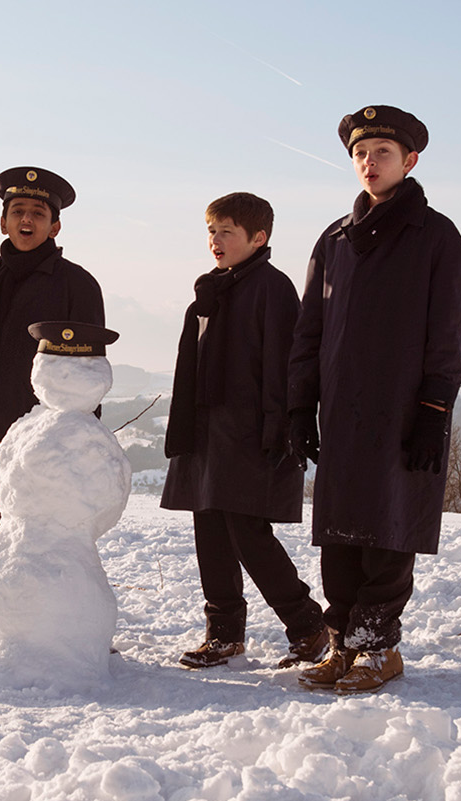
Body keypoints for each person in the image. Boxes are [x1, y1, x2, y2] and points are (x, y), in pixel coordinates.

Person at [288, 105, 461, 693]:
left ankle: (378, 647)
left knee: (388, 527)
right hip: (341, 408)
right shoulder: (335, 239)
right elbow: (309, 332)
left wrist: (433, 411)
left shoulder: (437, 238)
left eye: (383, 153)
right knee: (340, 530)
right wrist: (299, 405)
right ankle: (342, 643)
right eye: (361, 154)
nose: (370, 162)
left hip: (403, 410)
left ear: (409, 161)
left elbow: (447, 334)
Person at [161, 192, 327, 670]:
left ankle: (308, 625)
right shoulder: (214, 289)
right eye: (211, 231)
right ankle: (225, 634)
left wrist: (283, 428)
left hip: (250, 432)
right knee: (208, 529)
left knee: (247, 533)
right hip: (207, 430)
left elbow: (284, 364)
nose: (215, 240)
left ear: (259, 238)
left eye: (227, 231)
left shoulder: (272, 288)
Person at [0, 166, 105, 542]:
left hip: (45, 440)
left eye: (38, 213)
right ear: (3, 223)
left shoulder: (78, 285)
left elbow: (90, 375)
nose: (26, 219)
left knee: (43, 539)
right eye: (17, 210)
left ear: (54, 227)